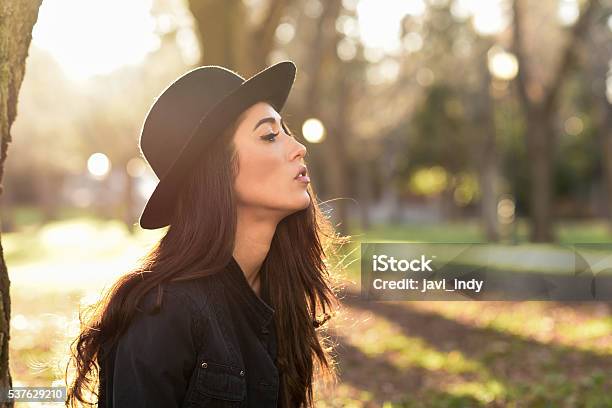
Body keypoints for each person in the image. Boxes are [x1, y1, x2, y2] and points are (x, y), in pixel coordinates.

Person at [65, 60, 350, 408]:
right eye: (270, 135)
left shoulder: (280, 296)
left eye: (286, 131)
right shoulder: (161, 314)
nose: (298, 147)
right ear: (217, 171)